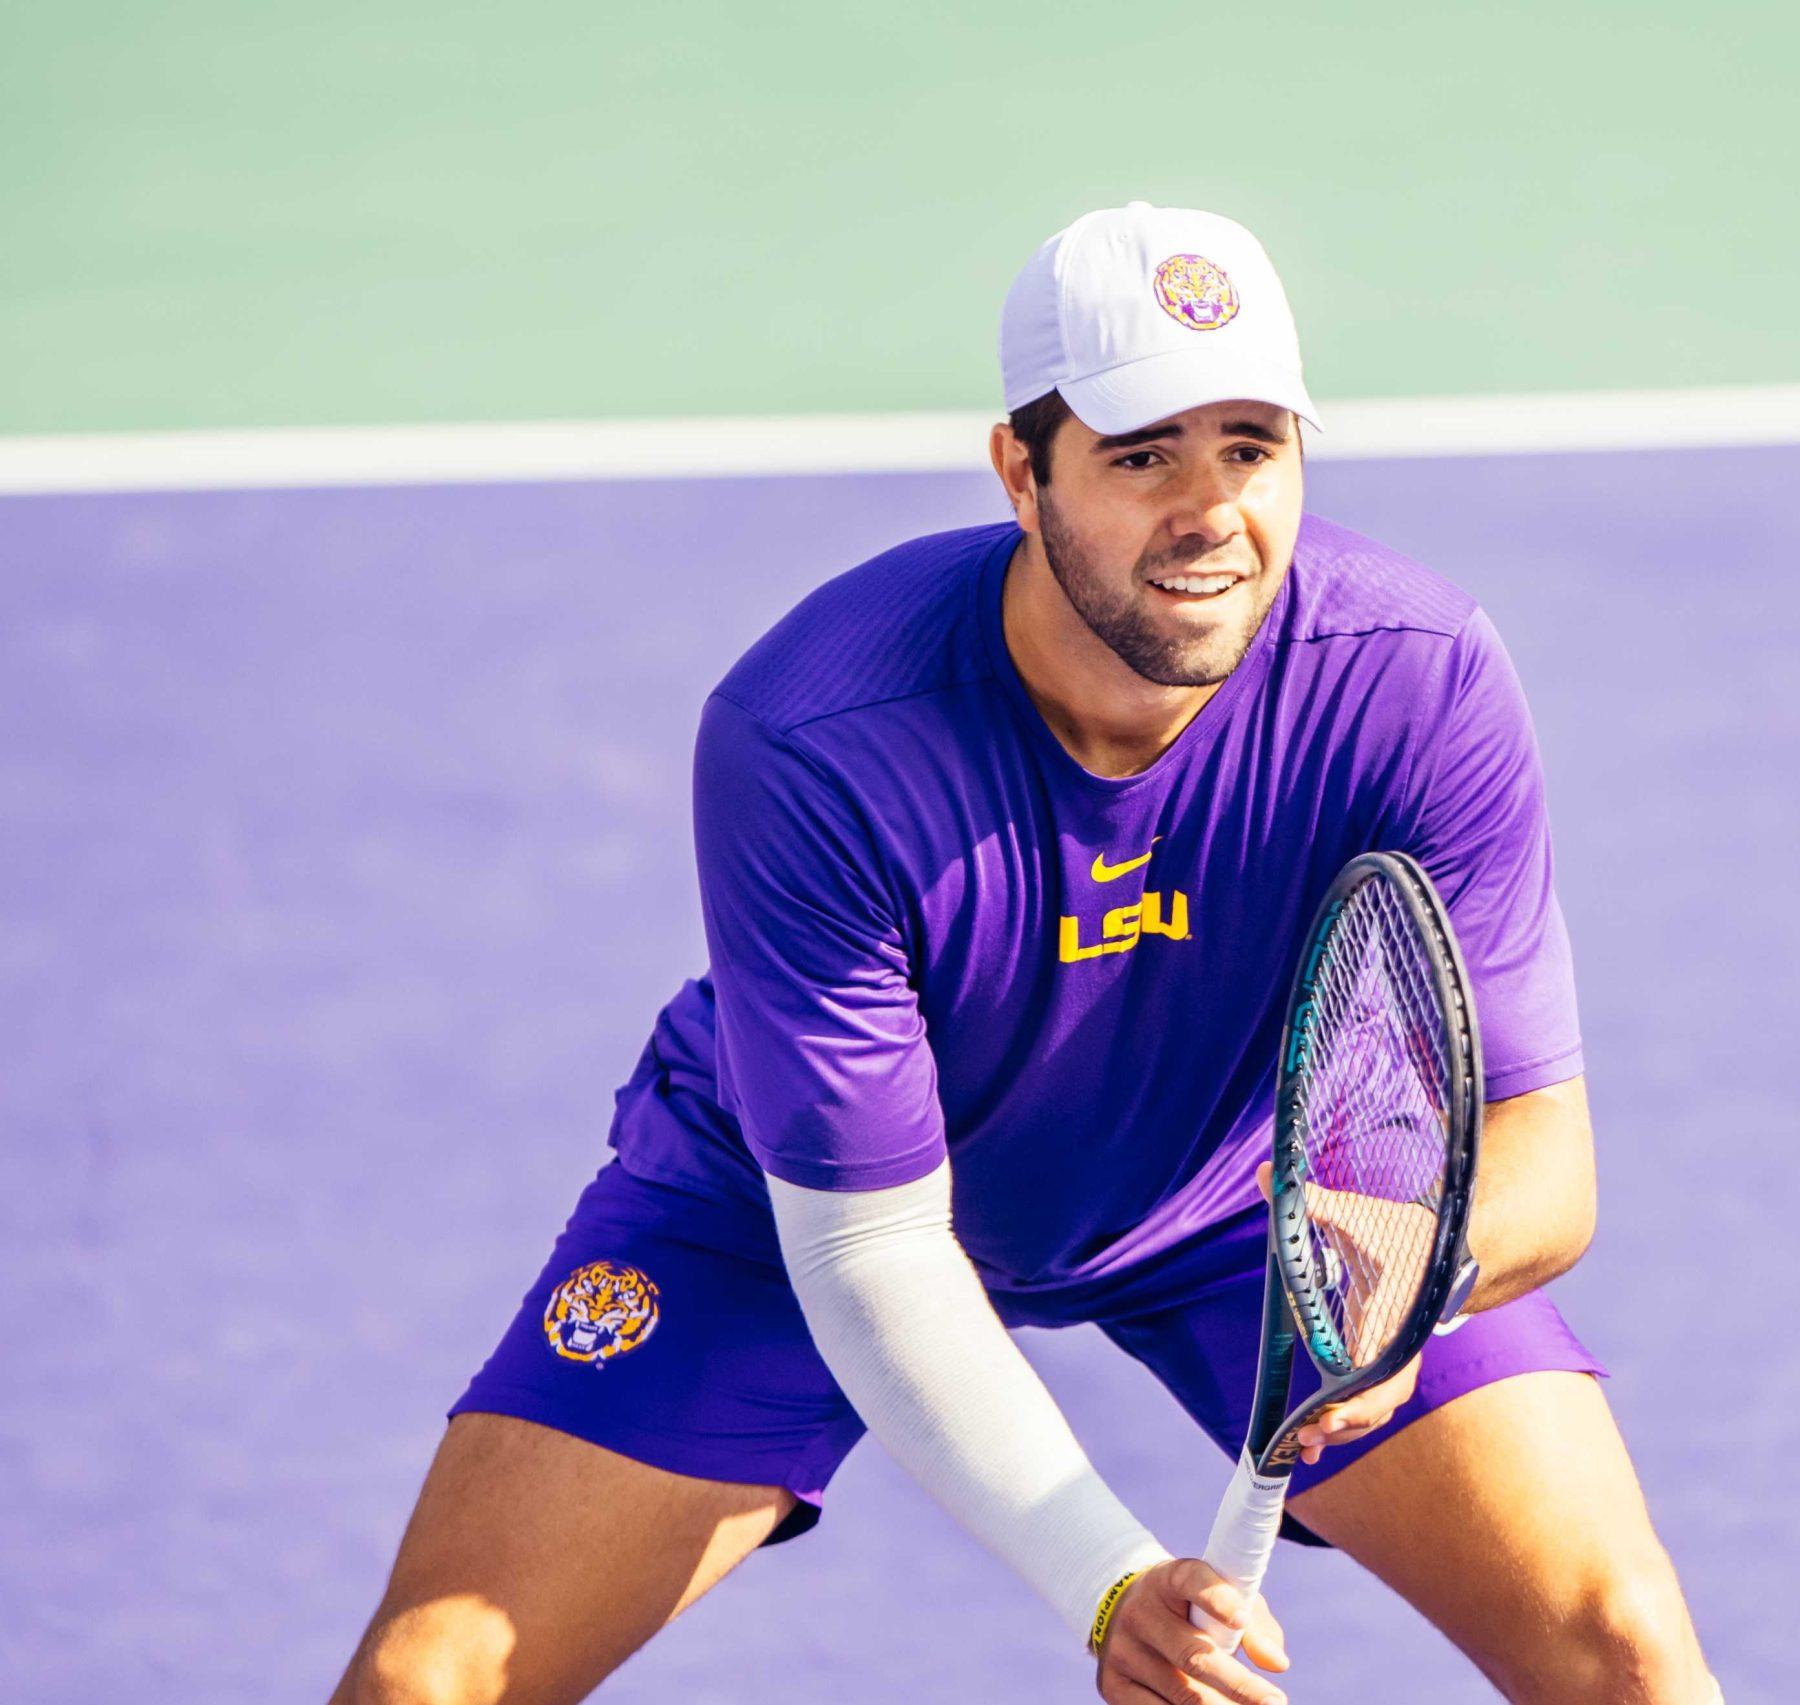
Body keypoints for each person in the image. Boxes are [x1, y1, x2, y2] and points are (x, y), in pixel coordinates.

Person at [331, 202, 1720, 1705]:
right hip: (795, 1208)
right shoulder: (817, 734)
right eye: (1142, 456)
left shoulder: (1418, 682)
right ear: (1019, 469)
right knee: (433, 1676)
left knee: (1624, 1646)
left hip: (1261, 1209)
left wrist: (1397, 1291)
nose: (1210, 512)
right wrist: (1110, 1578)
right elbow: (870, 1253)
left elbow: (1545, 1154)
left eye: (1251, 447)